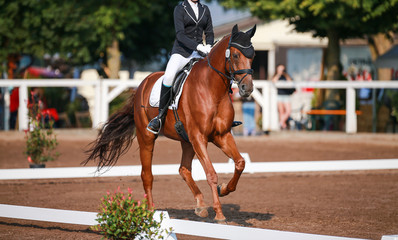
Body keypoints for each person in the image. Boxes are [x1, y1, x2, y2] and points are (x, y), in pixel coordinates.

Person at [147, 0, 214, 134]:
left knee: (215, 73)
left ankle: (220, 115)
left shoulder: (205, 9)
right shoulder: (180, 9)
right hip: (182, 52)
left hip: (200, 53)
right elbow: (180, 35)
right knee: (169, 76)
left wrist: (209, 46)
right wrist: (198, 46)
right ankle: (160, 116)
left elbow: (209, 32)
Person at [272, 64, 294, 130]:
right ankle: (283, 126)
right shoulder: (277, 76)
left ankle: (281, 122)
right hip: (280, 96)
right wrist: (278, 74)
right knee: (281, 112)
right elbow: (273, 81)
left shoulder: (286, 76)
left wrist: (285, 74)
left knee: (288, 111)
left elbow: (290, 82)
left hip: (286, 95)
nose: (282, 71)